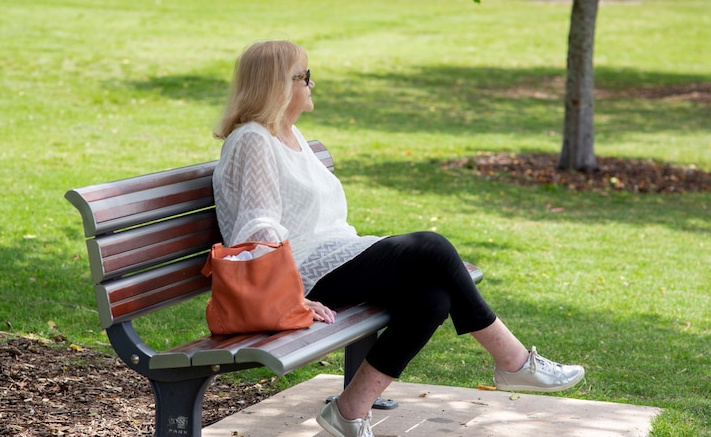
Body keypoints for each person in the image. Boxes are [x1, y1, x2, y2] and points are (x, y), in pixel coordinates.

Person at [212, 40, 585, 437]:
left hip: (333, 256)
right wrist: (290, 295)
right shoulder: (253, 139)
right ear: (276, 86)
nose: (312, 84)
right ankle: (513, 362)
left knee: (433, 297)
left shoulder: (291, 136)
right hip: (301, 275)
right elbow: (256, 226)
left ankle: (350, 410)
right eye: (304, 76)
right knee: (432, 247)